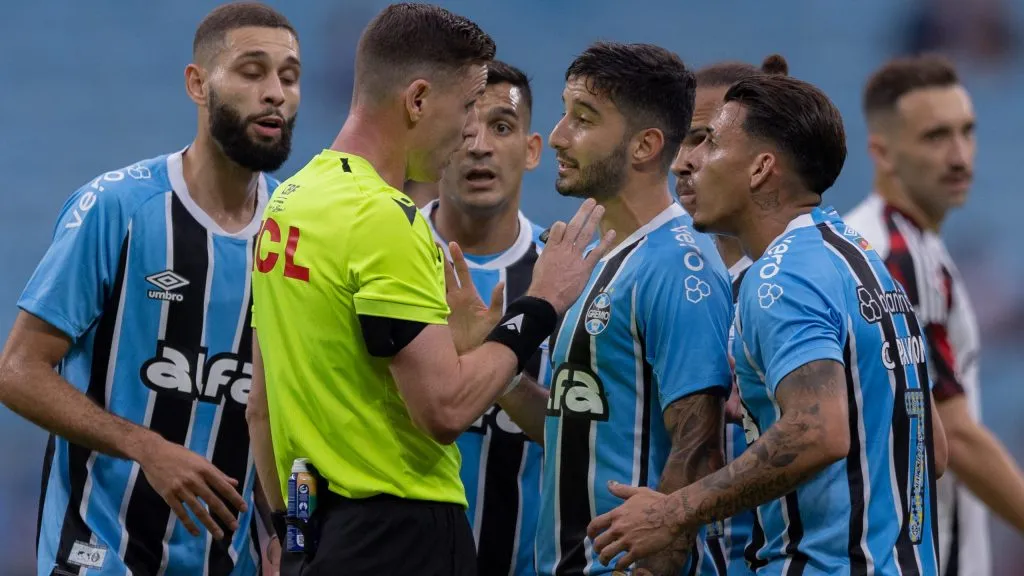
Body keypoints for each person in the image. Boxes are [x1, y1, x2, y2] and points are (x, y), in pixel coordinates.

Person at [245, 4, 614, 575]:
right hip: (400, 538)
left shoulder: (290, 202)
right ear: (417, 100)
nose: (470, 133)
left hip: (314, 534)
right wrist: (541, 303)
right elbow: (445, 410)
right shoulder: (386, 219)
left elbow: (261, 412)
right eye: (467, 106)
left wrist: (290, 537)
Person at [588, 74, 951, 574]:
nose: (687, 161)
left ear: (761, 169)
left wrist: (673, 511)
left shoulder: (781, 276)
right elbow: (932, 448)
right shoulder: (862, 261)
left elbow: (818, 433)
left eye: (711, 142)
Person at [0, 3, 299, 574]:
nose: (275, 93)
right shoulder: (118, 209)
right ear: (197, 84)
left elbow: (282, 413)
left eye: (289, 77)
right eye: (252, 71)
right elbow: (17, 372)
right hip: (96, 555)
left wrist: (284, 532)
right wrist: (146, 446)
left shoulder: (297, 230)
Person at [498, 42, 733, 575]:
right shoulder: (590, 259)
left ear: (645, 145)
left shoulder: (680, 265)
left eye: (583, 119)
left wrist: (663, 556)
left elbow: (698, 447)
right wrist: (502, 375)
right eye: (564, 113)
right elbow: (576, 428)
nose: (558, 135)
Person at [845, 54, 1024, 576]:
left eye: (966, 132)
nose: (959, 156)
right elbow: (955, 433)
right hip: (917, 556)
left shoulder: (885, 243)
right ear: (882, 152)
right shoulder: (898, 257)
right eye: (934, 137)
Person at [424, 59, 547, 576]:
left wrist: (496, 370)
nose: (479, 145)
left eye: (501, 127)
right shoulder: (382, 257)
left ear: (532, 149)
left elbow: (582, 439)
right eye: (466, 127)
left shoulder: (562, 279)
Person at [675, 53, 790, 576]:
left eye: (706, 139)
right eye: (683, 137)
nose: (684, 160)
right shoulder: (657, 273)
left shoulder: (791, 282)